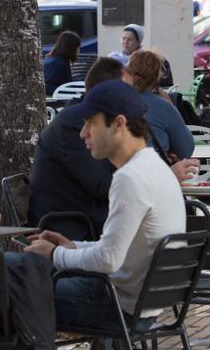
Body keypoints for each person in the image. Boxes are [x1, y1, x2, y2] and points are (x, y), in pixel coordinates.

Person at [23, 80, 186, 339]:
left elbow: (109, 259)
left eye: (91, 123)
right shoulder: (154, 167)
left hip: (117, 307)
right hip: (144, 304)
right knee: (17, 282)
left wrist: (54, 254)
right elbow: (119, 249)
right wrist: (73, 247)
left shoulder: (129, 177)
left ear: (119, 123)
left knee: (14, 291)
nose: (83, 133)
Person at [30, 58, 197, 240]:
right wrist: (167, 175)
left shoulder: (111, 120)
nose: (134, 95)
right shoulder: (73, 124)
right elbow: (105, 185)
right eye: (128, 90)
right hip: (74, 224)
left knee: (182, 215)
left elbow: (126, 167)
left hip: (98, 217)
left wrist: (161, 163)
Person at [126, 49, 194, 159]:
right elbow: (186, 150)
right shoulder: (163, 107)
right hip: (153, 172)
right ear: (157, 77)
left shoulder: (113, 103)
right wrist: (170, 104)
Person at [43, 30, 82, 95]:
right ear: (71, 48)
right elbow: (48, 87)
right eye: (77, 47)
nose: (79, 51)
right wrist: (71, 93)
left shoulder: (55, 59)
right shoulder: (57, 63)